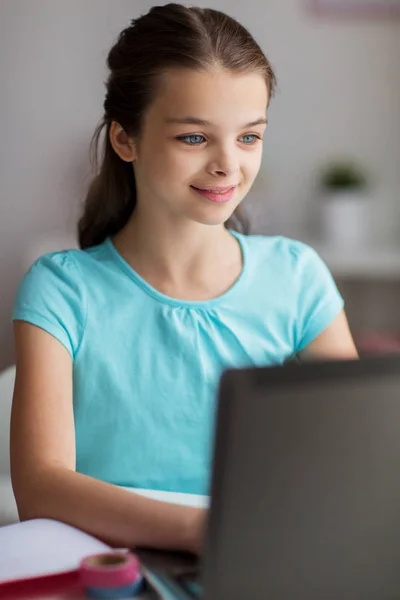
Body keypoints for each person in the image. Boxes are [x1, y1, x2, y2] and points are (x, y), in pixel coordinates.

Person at [10, 3, 358, 554]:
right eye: (194, 138)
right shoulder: (61, 290)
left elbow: (355, 454)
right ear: (126, 140)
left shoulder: (298, 278)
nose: (228, 164)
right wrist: (207, 534)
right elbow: (41, 488)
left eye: (249, 137)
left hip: (260, 562)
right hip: (115, 569)